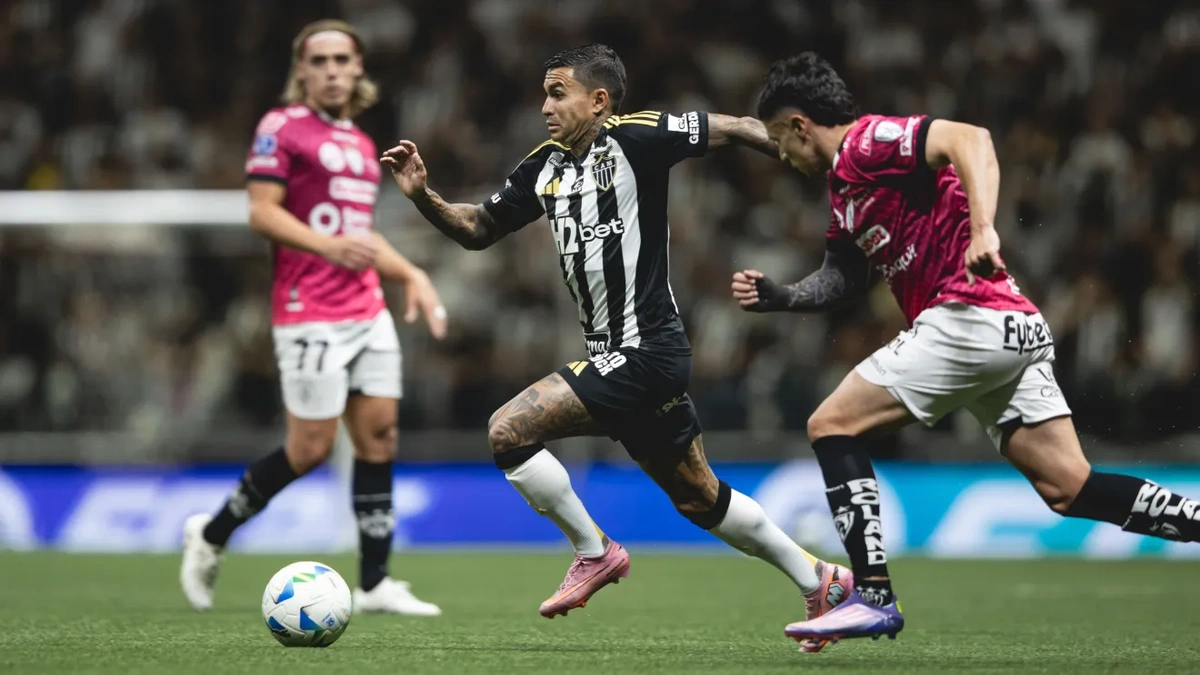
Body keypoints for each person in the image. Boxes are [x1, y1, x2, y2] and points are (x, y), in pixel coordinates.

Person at [381, 44, 848, 641]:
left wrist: (826, 153)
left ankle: (593, 550)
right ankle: (819, 581)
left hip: (647, 349)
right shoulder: (542, 168)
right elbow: (478, 229)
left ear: (598, 101)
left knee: (507, 430)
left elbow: (734, 127)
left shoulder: (637, 137)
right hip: (620, 356)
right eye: (544, 94)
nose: (545, 106)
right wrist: (424, 196)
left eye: (558, 93)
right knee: (701, 498)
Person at [732, 52, 1200, 644]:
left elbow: (969, 139)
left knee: (831, 425)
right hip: (1012, 328)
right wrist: (784, 296)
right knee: (1070, 487)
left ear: (800, 124)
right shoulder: (846, 192)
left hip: (967, 318)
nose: (780, 153)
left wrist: (984, 228)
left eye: (778, 139)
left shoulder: (869, 143)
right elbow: (844, 275)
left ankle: (873, 596)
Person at [179, 19, 445, 617]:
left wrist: (412, 274)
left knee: (379, 436)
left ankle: (374, 582)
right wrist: (325, 248)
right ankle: (211, 534)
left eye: (341, 60)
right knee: (310, 448)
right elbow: (261, 212)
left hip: (365, 306)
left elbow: (361, 235)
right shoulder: (281, 128)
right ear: (301, 70)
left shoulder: (357, 141)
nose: (330, 70)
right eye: (318, 60)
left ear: (358, 70)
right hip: (308, 311)